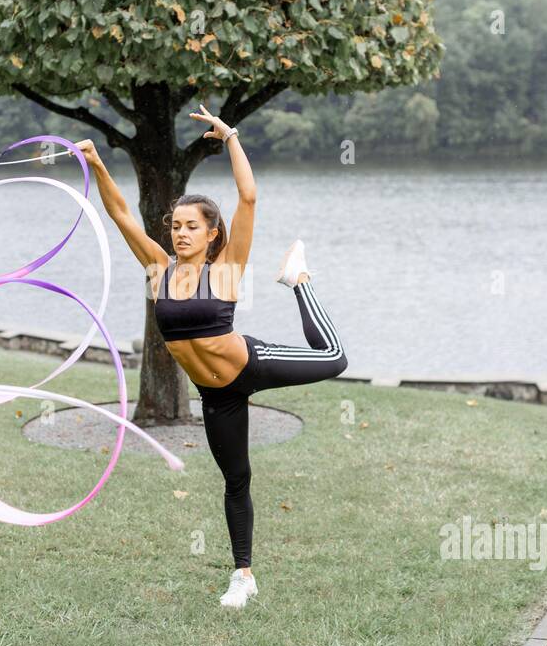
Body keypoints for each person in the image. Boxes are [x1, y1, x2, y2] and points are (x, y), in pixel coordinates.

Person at [74, 104, 347, 609]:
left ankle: (298, 280)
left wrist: (231, 138)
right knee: (236, 478)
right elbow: (119, 214)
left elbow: (247, 196)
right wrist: (95, 161)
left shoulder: (225, 269)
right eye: (175, 225)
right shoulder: (158, 269)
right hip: (216, 394)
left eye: (191, 226)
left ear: (211, 233)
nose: (180, 233)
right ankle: (243, 576)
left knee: (334, 358)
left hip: (252, 364)